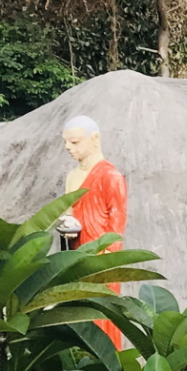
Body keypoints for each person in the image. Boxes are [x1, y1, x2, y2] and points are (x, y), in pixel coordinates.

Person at [57, 115, 128, 346]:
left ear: (94, 139)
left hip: (101, 257)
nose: (68, 147)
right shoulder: (71, 176)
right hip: (77, 253)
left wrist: (106, 257)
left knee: (102, 314)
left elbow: (117, 220)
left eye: (75, 142)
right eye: (66, 142)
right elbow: (69, 213)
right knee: (80, 313)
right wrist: (65, 226)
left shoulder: (110, 176)